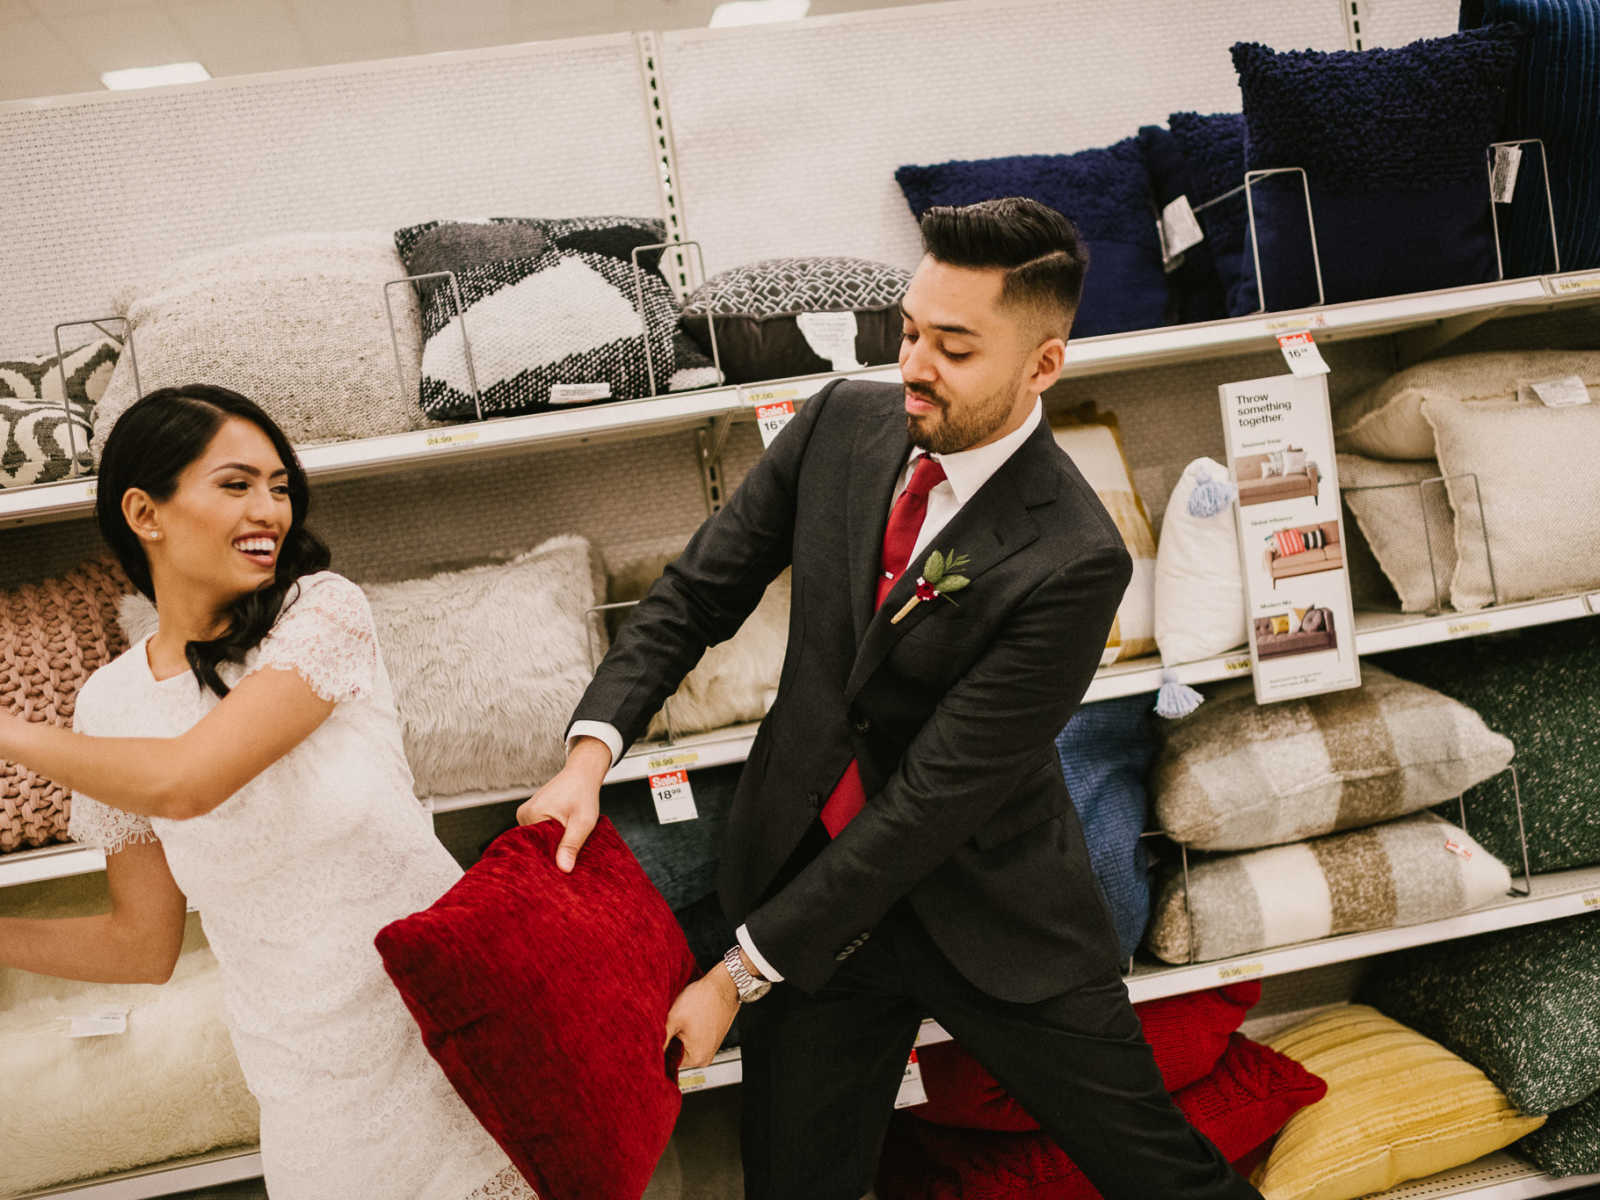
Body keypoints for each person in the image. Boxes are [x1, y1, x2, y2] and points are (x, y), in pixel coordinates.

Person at [519, 198, 1264, 1200]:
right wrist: (587, 759)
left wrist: (735, 975)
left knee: (1157, 1173)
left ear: (1042, 364)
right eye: (910, 332)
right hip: (810, 900)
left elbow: (929, 805)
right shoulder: (838, 425)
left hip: (991, 908)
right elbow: (698, 595)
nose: (913, 364)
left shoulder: (1073, 554)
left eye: (954, 349)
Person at [0, 386, 534, 1200]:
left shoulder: (320, 613)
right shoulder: (109, 704)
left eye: (279, 486)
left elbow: (188, 779)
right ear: (146, 512)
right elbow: (141, 946)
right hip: (314, 1096)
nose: (271, 510)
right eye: (236, 484)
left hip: (454, 1041)